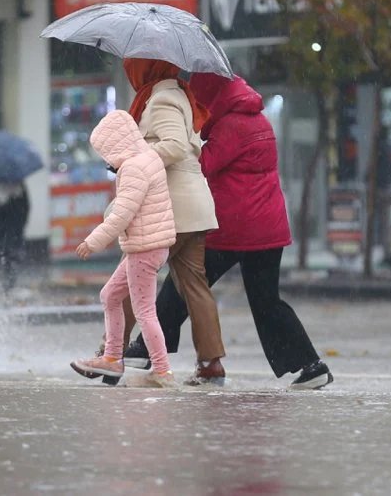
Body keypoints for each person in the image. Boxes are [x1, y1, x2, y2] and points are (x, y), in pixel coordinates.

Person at [125, 73, 333, 390]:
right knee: (267, 302)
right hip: (267, 229)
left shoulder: (231, 126)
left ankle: (145, 351)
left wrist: (180, 144)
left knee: (185, 281)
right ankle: (311, 365)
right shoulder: (256, 120)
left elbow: (202, 166)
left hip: (235, 227)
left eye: (199, 100)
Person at [118, 58, 226, 386]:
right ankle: (211, 364)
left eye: (133, 66)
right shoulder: (180, 94)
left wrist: (135, 160)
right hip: (194, 206)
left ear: (146, 67)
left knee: (129, 279)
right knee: (195, 285)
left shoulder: (162, 98)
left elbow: (176, 146)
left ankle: (111, 353)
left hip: (172, 206)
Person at [70, 110, 177, 387]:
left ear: (115, 145)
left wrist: (92, 241)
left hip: (144, 248)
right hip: (150, 245)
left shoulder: (133, 168)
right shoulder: (148, 157)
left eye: (105, 152)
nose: (105, 159)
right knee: (110, 296)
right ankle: (112, 358)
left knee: (144, 311)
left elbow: (121, 215)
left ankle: (162, 371)